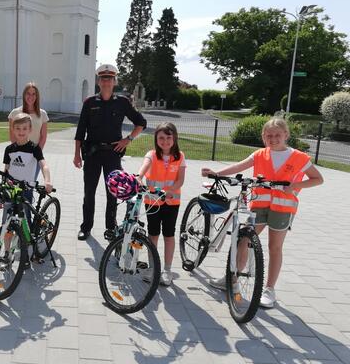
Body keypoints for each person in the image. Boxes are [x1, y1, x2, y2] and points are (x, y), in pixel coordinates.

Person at [202, 117, 323, 308]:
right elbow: (239, 166)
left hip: (283, 208)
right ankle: (231, 278)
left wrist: (296, 186)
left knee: (274, 247)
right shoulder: (260, 154)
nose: (273, 138)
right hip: (259, 205)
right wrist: (217, 173)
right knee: (244, 240)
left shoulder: (299, 157)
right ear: (263, 137)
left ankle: (269, 290)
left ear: (286, 135)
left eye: (277, 135)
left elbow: (317, 179)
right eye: (269, 136)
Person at [74, 63, 147, 241]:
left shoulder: (122, 102)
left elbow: (141, 123)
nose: (106, 82)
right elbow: (80, 130)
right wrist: (77, 154)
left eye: (110, 79)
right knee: (89, 192)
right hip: (92, 153)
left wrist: (128, 139)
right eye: (103, 79)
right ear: (99, 81)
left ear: (114, 81)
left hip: (113, 153)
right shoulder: (90, 102)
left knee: (113, 192)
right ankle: (86, 227)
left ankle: (111, 227)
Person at [136, 122, 186, 286]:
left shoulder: (180, 156)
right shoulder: (152, 154)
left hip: (172, 202)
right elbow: (145, 165)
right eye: (161, 138)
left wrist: (171, 190)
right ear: (156, 139)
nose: (165, 141)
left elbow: (180, 180)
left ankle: (167, 270)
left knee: (169, 235)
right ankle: (153, 268)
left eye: (168, 137)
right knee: (153, 234)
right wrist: (139, 177)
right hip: (152, 201)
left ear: (175, 138)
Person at [0, 113, 53, 259]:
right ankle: (6, 252)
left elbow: (44, 165)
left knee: (26, 223)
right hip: (11, 190)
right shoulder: (9, 149)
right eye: (17, 128)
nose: (21, 132)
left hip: (26, 190)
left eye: (24, 128)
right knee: (7, 223)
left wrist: (47, 180)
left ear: (30, 130)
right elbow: (6, 170)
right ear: (13, 129)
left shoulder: (34, 148)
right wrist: (2, 194)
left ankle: (29, 249)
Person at [8, 82, 49, 150]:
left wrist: (37, 153)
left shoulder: (43, 114)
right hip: (18, 154)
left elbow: (43, 137)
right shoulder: (14, 113)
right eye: (28, 94)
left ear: (37, 96)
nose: (31, 97)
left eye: (33, 94)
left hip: (35, 156)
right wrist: (20, 152)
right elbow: (12, 136)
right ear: (24, 95)